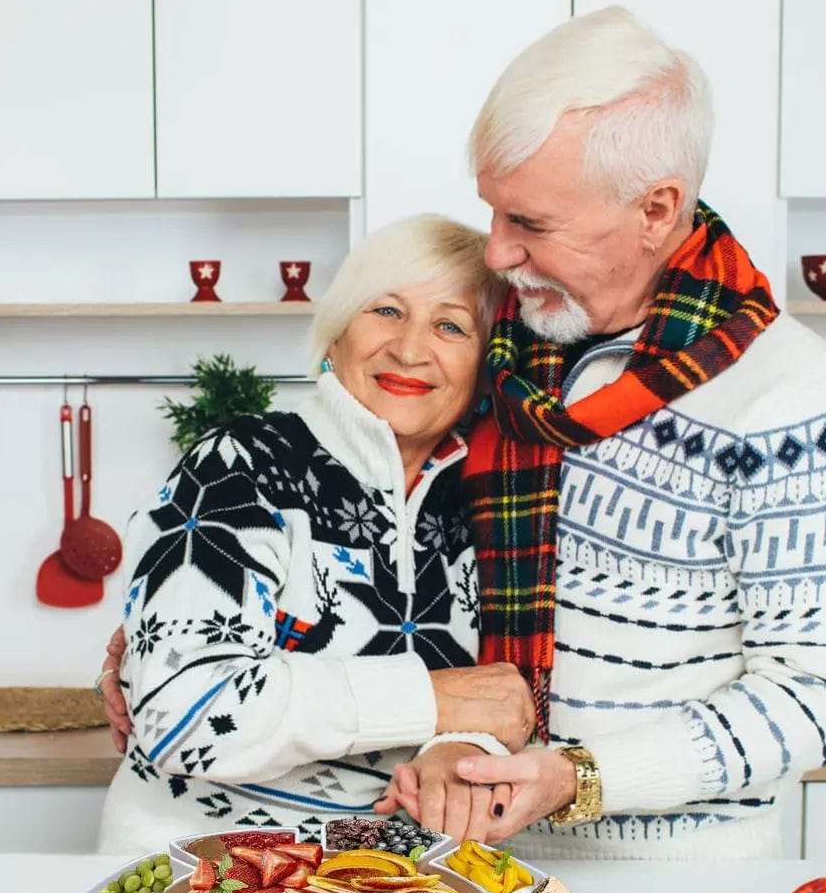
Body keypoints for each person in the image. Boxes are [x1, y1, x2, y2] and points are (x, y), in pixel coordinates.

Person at [375, 7, 826, 860]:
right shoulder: (491, 339)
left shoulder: (790, 395)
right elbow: (355, 513)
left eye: (530, 224)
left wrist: (580, 775)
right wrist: (174, 624)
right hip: (464, 862)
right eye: (493, 213)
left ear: (655, 210)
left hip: (676, 884)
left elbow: (819, 698)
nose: (494, 253)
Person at [95, 215, 521, 853]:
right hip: (194, 865)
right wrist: (431, 700)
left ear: (485, 365)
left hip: (385, 884)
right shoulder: (240, 463)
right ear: (337, 330)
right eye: (385, 310)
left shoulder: (499, 503)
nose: (409, 349)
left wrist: (464, 740)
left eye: (451, 325)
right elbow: (183, 710)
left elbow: (511, 697)